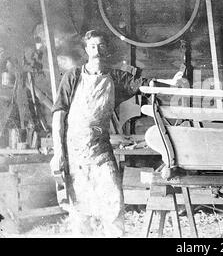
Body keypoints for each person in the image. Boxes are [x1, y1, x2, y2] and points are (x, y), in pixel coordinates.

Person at [50, 30, 181, 236]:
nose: (97, 51)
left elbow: (145, 85)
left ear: (106, 49)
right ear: (86, 50)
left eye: (101, 46)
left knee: (114, 201)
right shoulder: (73, 77)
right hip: (74, 151)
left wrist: (172, 82)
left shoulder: (116, 77)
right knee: (79, 208)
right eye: (92, 47)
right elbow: (59, 115)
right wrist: (58, 153)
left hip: (101, 149)